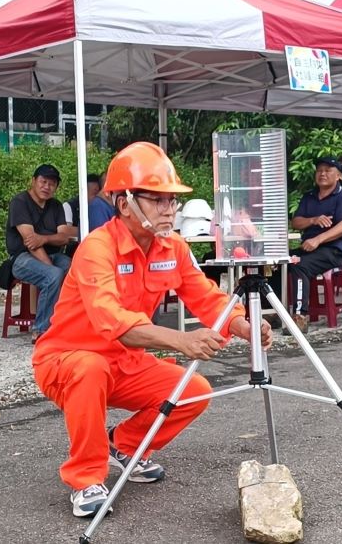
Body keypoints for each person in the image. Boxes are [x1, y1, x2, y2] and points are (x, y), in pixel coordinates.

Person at [31, 142, 272, 518]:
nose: (169, 209)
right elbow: (111, 321)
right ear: (124, 203)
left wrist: (243, 323)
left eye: (172, 201)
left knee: (194, 391)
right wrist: (180, 340)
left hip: (125, 362)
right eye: (158, 199)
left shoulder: (172, 247)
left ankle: (124, 445)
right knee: (89, 368)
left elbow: (204, 295)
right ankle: (85, 478)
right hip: (65, 360)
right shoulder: (97, 248)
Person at [271, 156, 342, 332]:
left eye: (328, 170)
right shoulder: (309, 197)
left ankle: (300, 316)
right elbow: (296, 222)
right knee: (277, 263)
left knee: (300, 266)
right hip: (308, 247)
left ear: (338, 175)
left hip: (333, 250)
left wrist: (318, 239)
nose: (322, 174)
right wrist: (313, 220)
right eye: (319, 170)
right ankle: (274, 313)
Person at [6, 164, 73, 343]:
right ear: (33, 181)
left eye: (52, 184)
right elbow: (30, 243)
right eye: (43, 182)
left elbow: (64, 237)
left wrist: (44, 239)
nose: (47, 187)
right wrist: (50, 268)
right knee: (53, 275)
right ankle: (41, 330)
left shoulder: (56, 205)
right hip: (22, 258)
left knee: (75, 269)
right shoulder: (19, 202)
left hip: (52, 254)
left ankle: (66, 323)